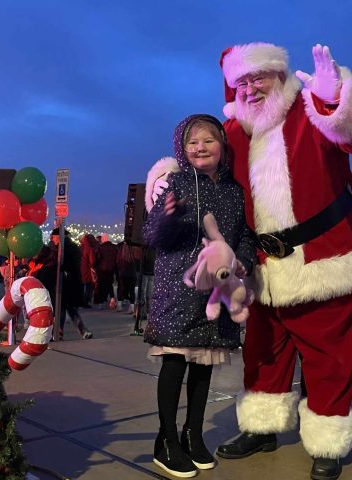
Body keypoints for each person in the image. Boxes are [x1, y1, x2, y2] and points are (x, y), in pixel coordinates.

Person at [147, 43, 352, 480]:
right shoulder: (233, 132)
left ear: (280, 76)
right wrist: (163, 182)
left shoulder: (312, 109)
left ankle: (326, 442)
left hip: (322, 261)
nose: (250, 88)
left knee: (329, 356)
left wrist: (336, 96)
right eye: (241, 82)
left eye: (259, 78)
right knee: (264, 354)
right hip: (259, 266)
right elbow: (203, 172)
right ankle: (262, 427)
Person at [143, 114, 256, 478]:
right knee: (175, 363)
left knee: (204, 366)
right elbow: (152, 234)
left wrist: (244, 261)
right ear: (183, 147)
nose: (200, 148)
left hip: (217, 291)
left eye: (208, 140)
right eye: (193, 142)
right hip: (178, 285)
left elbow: (244, 235)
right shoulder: (173, 182)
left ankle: (193, 434)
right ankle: (166, 440)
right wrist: (168, 218)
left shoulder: (235, 191)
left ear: (222, 146)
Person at [94, 233, 118, 308]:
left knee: (101, 285)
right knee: (109, 284)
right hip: (111, 269)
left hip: (102, 269)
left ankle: (101, 302)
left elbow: (98, 258)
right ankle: (112, 298)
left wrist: (95, 266)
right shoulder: (114, 247)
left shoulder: (100, 247)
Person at [116, 240, 140, 313]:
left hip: (123, 272)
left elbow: (118, 261)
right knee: (132, 290)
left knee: (122, 289)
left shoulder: (122, 251)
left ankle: (119, 305)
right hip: (133, 273)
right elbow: (138, 261)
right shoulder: (135, 252)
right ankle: (132, 307)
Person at [79, 233, 98, 308]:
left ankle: (80, 301)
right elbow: (92, 261)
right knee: (88, 286)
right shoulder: (90, 248)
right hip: (87, 270)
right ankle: (85, 302)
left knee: (82, 286)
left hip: (80, 269)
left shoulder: (80, 247)